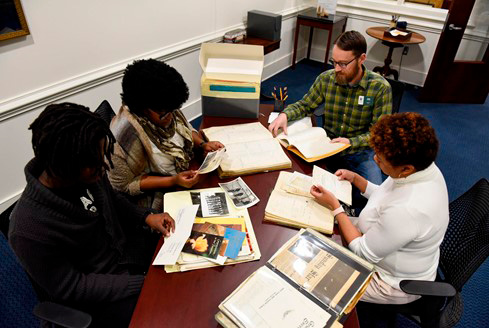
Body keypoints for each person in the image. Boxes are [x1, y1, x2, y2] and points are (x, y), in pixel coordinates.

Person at [8, 103, 175, 327]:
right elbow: (73, 287)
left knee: (189, 271)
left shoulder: (89, 169)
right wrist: (141, 283)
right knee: (174, 312)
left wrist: (146, 216)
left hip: (130, 261)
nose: (103, 167)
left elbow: (112, 200)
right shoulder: (28, 228)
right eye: (95, 163)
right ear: (64, 166)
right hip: (98, 301)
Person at [310, 112, 449, 304]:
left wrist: (335, 207)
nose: (375, 159)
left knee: (312, 279)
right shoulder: (423, 168)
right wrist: (356, 179)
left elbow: (362, 251)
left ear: (406, 168)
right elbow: (386, 196)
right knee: (316, 223)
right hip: (381, 239)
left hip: (389, 281)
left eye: (381, 159)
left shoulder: (409, 209)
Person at [269, 30, 392, 187]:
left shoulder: (380, 88)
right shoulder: (326, 79)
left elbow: (379, 134)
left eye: (343, 64)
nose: (337, 69)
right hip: (327, 145)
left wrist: (351, 142)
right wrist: (284, 115)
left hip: (360, 151)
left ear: (362, 58)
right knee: (292, 178)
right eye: (334, 62)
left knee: (375, 194)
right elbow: (305, 105)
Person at [109, 59, 224, 210]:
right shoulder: (124, 136)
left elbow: (184, 129)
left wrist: (202, 144)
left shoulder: (164, 106)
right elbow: (124, 185)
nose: (171, 117)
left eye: (173, 110)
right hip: (156, 196)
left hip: (185, 171)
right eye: (164, 114)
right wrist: (173, 181)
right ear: (142, 108)